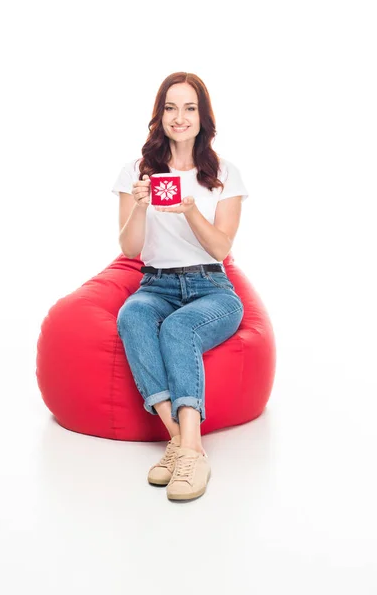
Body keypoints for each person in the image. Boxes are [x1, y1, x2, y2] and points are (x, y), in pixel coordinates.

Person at [111, 71, 249, 502]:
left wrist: (189, 210)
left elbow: (221, 246)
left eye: (189, 107)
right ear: (160, 115)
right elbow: (130, 248)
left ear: (203, 117)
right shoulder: (137, 170)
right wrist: (139, 206)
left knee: (178, 328)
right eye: (171, 107)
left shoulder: (225, 173)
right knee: (131, 314)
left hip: (211, 288)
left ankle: (188, 449)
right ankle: (184, 444)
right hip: (156, 284)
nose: (180, 117)